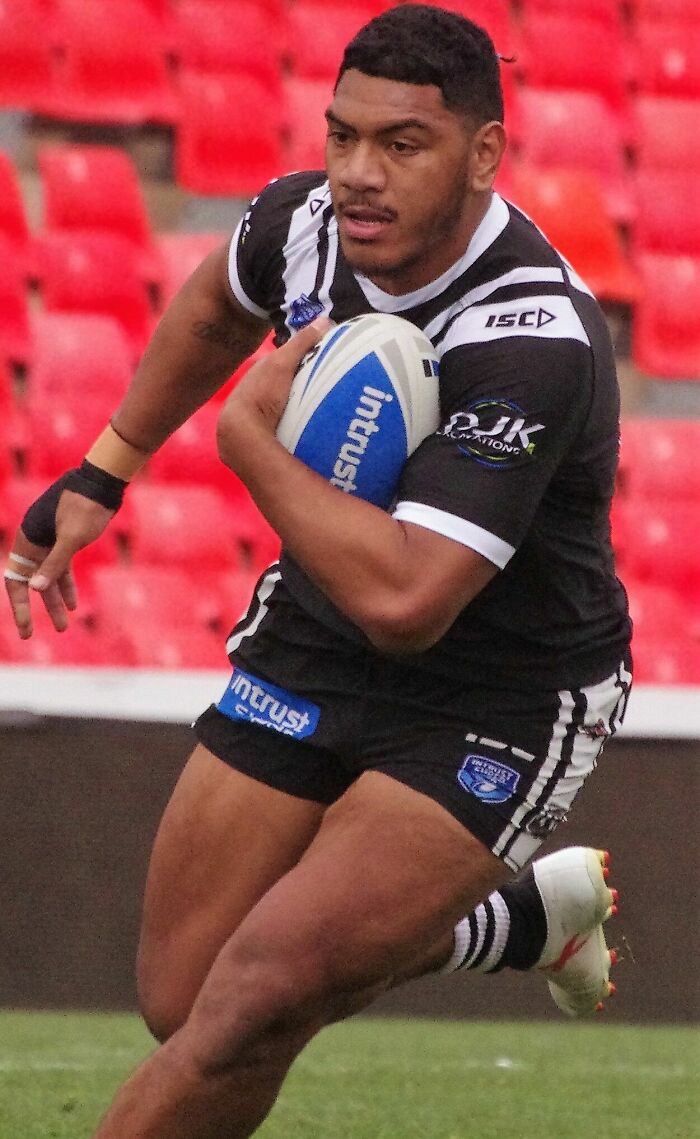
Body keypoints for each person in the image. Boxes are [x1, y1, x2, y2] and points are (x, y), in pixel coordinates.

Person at [4, 6, 632, 1137]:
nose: (356, 174)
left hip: (494, 693)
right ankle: (518, 922)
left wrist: (245, 443)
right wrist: (107, 467)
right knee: (185, 999)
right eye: (341, 136)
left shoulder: (532, 333)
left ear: (483, 154)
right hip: (312, 634)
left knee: (253, 998)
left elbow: (405, 602)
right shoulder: (307, 222)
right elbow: (211, 302)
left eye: (401, 144)